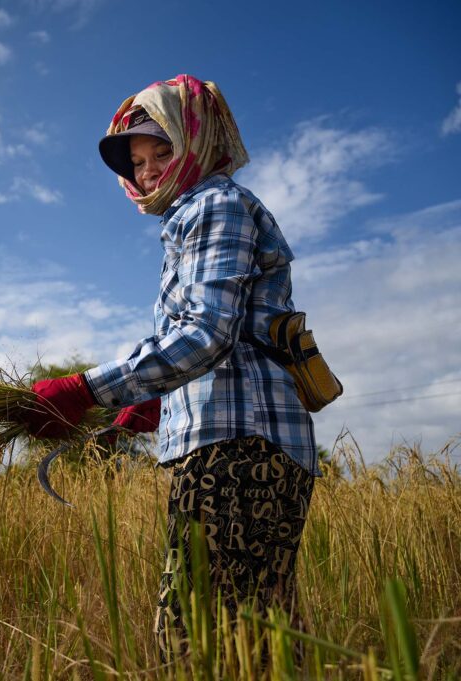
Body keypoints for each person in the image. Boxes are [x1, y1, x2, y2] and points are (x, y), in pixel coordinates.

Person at [21, 74, 318, 660]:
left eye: (163, 150)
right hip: (244, 446)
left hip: (237, 449)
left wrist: (85, 390)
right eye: (136, 159)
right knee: (262, 639)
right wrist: (161, 399)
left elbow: (206, 332)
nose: (147, 168)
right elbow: (224, 332)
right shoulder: (198, 213)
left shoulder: (214, 204)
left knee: (195, 638)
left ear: (198, 143)